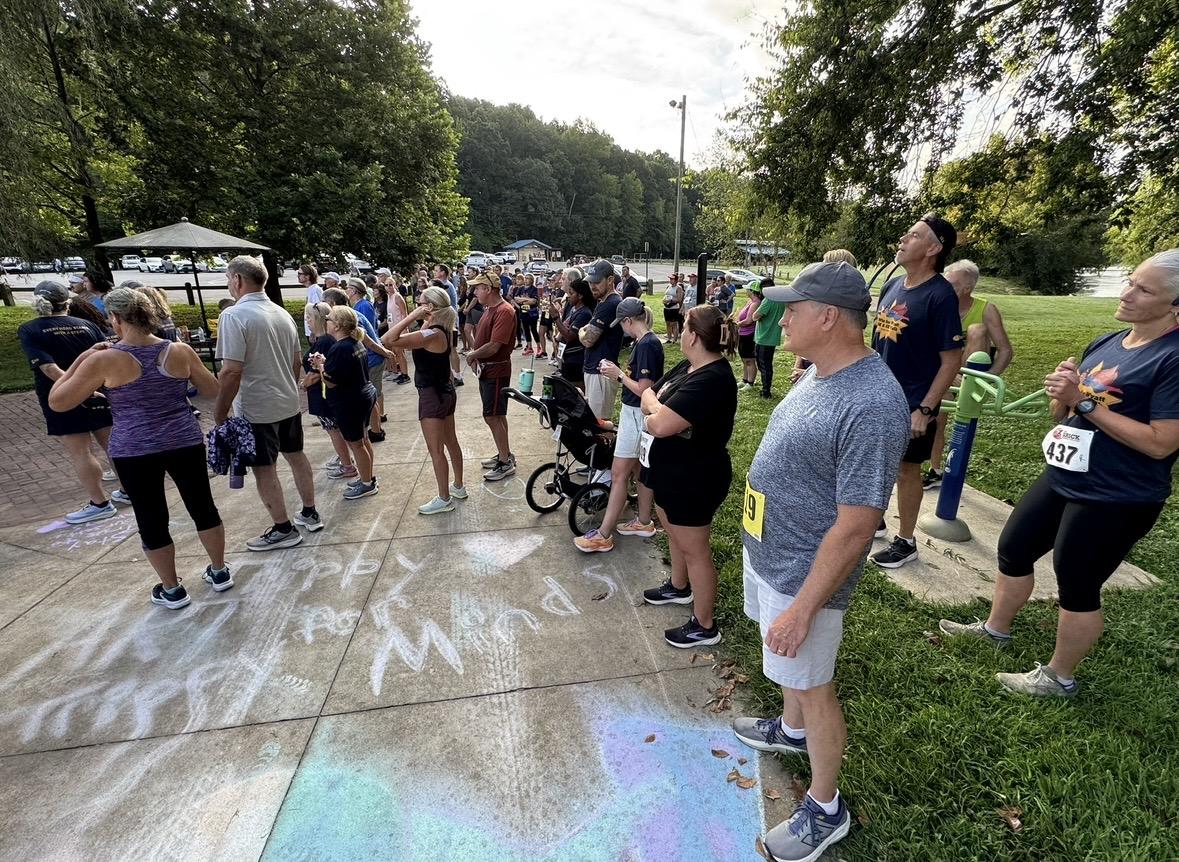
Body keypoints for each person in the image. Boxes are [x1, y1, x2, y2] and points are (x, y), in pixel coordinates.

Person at [731, 261, 910, 862]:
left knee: (814, 685)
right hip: (771, 554)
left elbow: (858, 524)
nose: (777, 317)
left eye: (793, 308)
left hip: (805, 576)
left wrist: (805, 607)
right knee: (792, 676)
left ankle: (825, 808)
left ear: (828, 317)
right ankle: (790, 731)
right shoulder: (818, 371)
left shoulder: (872, 400)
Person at [939, 249, 1179, 696]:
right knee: (1014, 547)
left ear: (1175, 306)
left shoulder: (1173, 359)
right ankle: (996, 629)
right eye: (1130, 280)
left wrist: (1084, 400)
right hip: (1066, 472)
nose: (1127, 292)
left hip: (1118, 493)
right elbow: (1063, 415)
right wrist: (1063, 390)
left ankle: (1058, 677)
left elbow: (1162, 441)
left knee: (1077, 581)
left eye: (1144, 289)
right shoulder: (1109, 342)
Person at [47, 287, 231, 609]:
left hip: (134, 449)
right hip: (184, 440)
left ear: (116, 319)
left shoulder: (104, 359)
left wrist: (82, 359)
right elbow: (212, 389)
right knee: (202, 505)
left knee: (151, 516)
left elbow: (57, 401)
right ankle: (219, 571)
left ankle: (172, 589)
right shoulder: (179, 350)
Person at [639, 304, 737, 648]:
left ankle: (704, 624)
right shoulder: (688, 367)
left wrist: (656, 411)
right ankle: (679, 588)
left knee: (695, 550)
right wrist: (656, 408)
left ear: (693, 336)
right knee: (674, 533)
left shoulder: (713, 379)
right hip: (671, 471)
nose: (679, 334)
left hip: (695, 478)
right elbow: (649, 395)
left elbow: (660, 420)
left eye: (683, 330)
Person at [869, 214, 964, 569]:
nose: (902, 239)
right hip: (879, 394)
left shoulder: (940, 295)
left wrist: (925, 409)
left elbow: (951, 360)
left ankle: (905, 540)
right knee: (876, 463)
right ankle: (873, 519)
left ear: (934, 248)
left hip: (912, 403)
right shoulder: (894, 286)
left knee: (907, 470)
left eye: (913, 235)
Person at [214, 255, 323, 549]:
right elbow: (296, 360)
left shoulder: (234, 316)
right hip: (286, 400)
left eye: (228, 279)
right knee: (296, 454)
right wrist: (288, 386)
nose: (228, 284)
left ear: (237, 279)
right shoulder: (280, 312)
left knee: (265, 467)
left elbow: (231, 370)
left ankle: (283, 527)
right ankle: (310, 512)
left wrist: (220, 412)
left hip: (257, 406)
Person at [18, 281, 130, 523]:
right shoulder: (87, 325)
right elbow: (107, 355)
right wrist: (92, 387)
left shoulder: (30, 329)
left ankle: (100, 503)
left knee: (80, 451)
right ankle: (130, 490)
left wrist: (75, 390)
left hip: (61, 397)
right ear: (67, 302)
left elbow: (48, 367)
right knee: (112, 444)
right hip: (100, 391)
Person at [574, 298, 663, 552]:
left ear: (628, 320)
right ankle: (644, 521)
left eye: (620, 323)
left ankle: (603, 534)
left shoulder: (646, 345)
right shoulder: (648, 342)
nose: (620, 328)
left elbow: (644, 390)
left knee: (618, 473)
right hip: (637, 414)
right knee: (639, 470)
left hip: (637, 413)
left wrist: (619, 375)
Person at [924, 258, 1015, 487]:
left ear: (967, 288)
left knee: (976, 330)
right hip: (943, 372)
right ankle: (934, 469)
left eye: (951, 284)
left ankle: (968, 381)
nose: (945, 287)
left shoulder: (985, 309)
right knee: (937, 419)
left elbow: (1005, 350)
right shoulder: (938, 304)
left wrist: (988, 380)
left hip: (971, 372)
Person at [384, 286, 467, 514]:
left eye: (420, 303)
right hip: (444, 391)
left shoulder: (431, 334)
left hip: (433, 395)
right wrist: (422, 318)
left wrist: (411, 316)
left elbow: (388, 339)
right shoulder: (441, 329)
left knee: (436, 449)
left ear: (429, 307)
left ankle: (444, 498)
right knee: (451, 441)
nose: (416, 305)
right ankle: (458, 486)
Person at [309, 306, 379, 500]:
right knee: (363, 440)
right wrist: (326, 362)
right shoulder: (355, 343)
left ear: (338, 325)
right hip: (362, 397)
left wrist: (320, 366)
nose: (327, 322)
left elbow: (330, 381)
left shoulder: (340, 347)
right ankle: (368, 477)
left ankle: (366, 484)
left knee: (357, 444)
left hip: (350, 402)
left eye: (329, 319)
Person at [466, 272, 518, 481]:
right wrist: (476, 357)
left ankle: (505, 462)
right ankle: (504, 454)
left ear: (488, 289)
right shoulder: (491, 309)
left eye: (478, 288)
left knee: (492, 415)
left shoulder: (504, 311)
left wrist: (473, 355)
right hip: (487, 370)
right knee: (497, 415)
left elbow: (495, 345)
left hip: (496, 371)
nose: (474, 291)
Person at [302, 302, 357, 481]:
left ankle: (347, 465)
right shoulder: (327, 340)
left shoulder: (324, 341)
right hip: (329, 395)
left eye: (309, 318)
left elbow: (316, 374)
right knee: (338, 431)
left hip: (324, 396)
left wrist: (303, 384)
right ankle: (346, 460)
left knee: (334, 431)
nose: (307, 321)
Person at [792, 250, 860, 383]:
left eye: (825, 265)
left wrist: (808, 375)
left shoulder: (847, 311)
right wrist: (798, 365)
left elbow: (840, 362)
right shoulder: (817, 297)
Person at [343, 278, 390, 442]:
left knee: (374, 393)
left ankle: (378, 423)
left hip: (372, 355)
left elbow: (367, 335)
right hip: (371, 354)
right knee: (374, 392)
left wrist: (382, 352)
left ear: (354, 290)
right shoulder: (358, 306)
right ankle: (378, 418)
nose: (346, 290)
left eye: (347, 287)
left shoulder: (362, 306)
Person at [579, 259, 625, 420]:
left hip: (601, 372)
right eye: (590, 281)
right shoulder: (604, 302)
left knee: (599, 422)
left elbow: (588, 340)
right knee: (595, 419)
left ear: (611, 280)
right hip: (597, 368)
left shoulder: (610, 303)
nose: (592, 286)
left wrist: (580, 331)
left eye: (597, 281)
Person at [554, 277, 594, 388]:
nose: (568, 296)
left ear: (580, 296)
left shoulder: (584, 313)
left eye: (571, 293)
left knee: (574, 388)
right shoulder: (573, 309)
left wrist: (555, 317)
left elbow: (570, 335)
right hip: (566, 356)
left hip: (575, 358)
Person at [752, 276, 785, 398]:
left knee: (764, 366)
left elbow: (755, 316)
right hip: (772, 338)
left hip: (764, 337)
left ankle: (766, 391)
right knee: (767, 365)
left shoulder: (768, 300)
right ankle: (766, 388)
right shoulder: (780, 300)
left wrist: (756, 315)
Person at [736, 283, 762, 390]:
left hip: (749, 334)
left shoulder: (756, 303)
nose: (746, 291)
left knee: (749, 359)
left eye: (747, 289)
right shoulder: (749, 302)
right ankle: (745, 380)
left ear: (752, 291)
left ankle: (750, 383)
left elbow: (749, 320)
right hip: (743, 333)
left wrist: (736, 324)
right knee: (744, 359)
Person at [512, 273, 541, 355]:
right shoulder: (521, 288)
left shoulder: (534, 289)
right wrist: (526, 299)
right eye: (526, 278)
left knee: (534, 329)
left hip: (532, 313)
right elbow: (516, 298)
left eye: (528, 278)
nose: (526, 280)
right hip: (523, 312)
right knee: (526, 330)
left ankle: (539, 347)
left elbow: (534, 301)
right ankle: (529, 347)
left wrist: (522, 300)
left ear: (532, 280)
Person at [298, 264, 323, 337]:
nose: (298, 276)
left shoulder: (315, 290)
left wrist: (314, 332)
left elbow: (317, 312)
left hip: (315, 333)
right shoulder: (311, 289)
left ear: (308, 276)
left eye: (300, 274)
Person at [662, 273, 684, 343]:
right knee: (668, 323)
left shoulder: (678, 288)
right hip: (667, 308)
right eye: (670, 279)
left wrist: (671, 300)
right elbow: (665, 295)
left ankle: (674, 339)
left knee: (674, 324)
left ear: (676, 280)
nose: (670, 280)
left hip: (674, 308)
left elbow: (679, 299)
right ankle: (669, 338)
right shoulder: (668, 286)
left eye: (672, 279)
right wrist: (664, 300)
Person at [535, 277, 552, 359]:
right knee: (541, 333)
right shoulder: (545, 289)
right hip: (545, 312)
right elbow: (541, 298)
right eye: (549, 280)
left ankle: (554, 354)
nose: (550, 282)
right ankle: (544, 351)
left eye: (552, 281)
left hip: (552, 315)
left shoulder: (558, 291)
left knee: (552, 336)